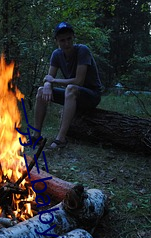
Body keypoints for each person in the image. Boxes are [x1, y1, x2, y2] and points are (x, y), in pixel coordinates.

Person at [32, 21, 103, 149]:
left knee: (71, 88)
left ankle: (61, 139)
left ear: (73, 37)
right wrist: (47, 85)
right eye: (62, 40)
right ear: (57, 41)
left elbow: (78, 81)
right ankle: (36, 135)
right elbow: (49, 78)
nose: (66, 43)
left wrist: (52, 81)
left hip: (91, 95)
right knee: (41, 90)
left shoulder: (82, 50)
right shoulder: (56, 54)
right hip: (72, 94)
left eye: (69, 39)